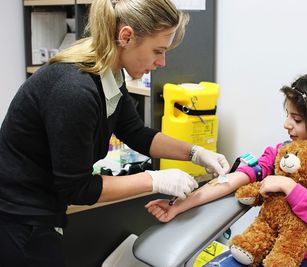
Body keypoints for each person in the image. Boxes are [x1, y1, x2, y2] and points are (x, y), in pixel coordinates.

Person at [0, 0, 229, 266]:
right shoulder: (74, 89)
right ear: (126, 36)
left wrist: (196, 153)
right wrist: (154, 179)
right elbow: (78, 189)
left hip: (39, 209)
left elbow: (136, 132)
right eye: (158, 50)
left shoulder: (109, 75)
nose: (162, 62)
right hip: (16, 218)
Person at [146, 69, 307, 266]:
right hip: (267, 249)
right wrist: (178, 205)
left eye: (297, 119)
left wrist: (289, 187)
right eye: (287, 115)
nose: (286, 124)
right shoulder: (281, 153)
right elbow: (231, 181)